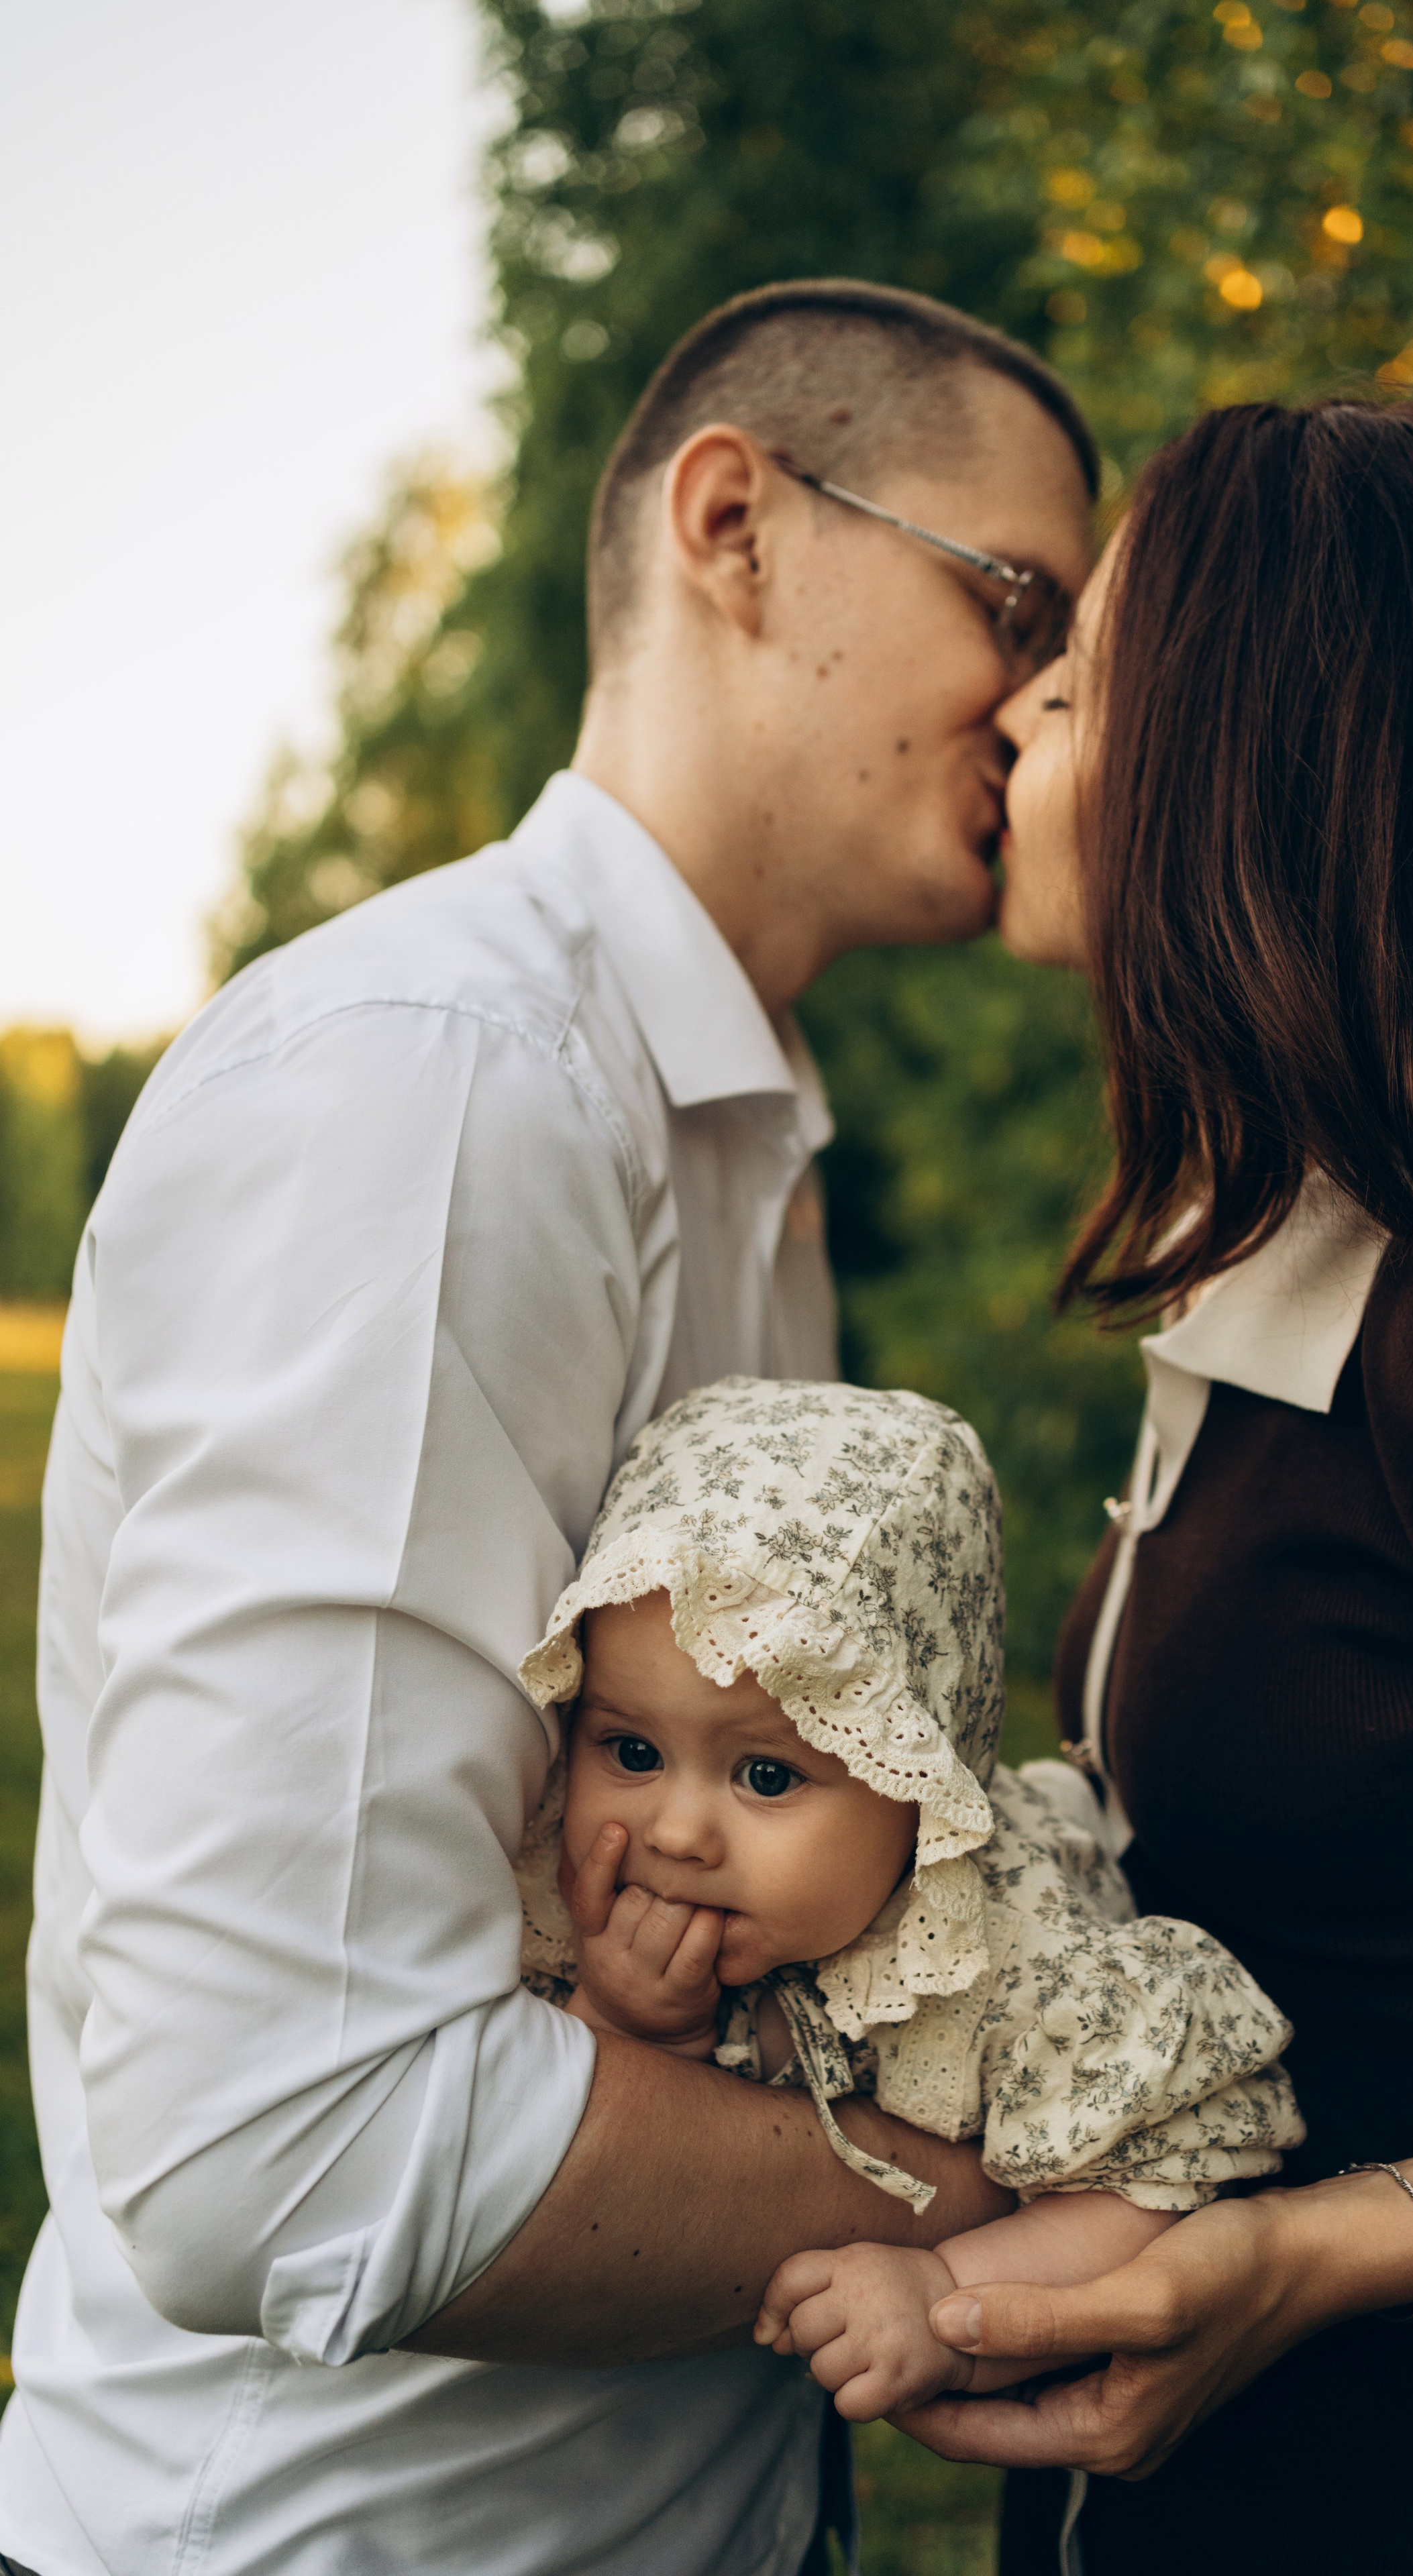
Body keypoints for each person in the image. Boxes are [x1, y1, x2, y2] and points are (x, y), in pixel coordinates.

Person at [0, 282, 1096, 2576]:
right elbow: (285, 2140)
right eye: (1016, 600)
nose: (1055, 692)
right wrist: (1034, 2184)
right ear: (736, 524)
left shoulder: (723, 1136)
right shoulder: (449, 1093)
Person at [896, 397, 1413, 2573]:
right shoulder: (1280, 1298)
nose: (1016, 714)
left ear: (1249, 759)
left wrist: (1312, 2261)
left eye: (1081, 679)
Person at [507, 1373, 1300, 2420]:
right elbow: (572, 2139)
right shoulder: (581, 1897)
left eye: (768, 1777)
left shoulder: (1017, 1963)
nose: (678, 1833)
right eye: (633, 1750)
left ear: (918, 1781)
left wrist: (947, 2293)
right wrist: (622, 2018)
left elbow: (1159, 2191)